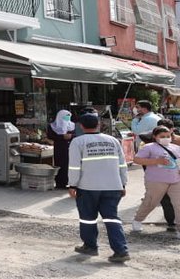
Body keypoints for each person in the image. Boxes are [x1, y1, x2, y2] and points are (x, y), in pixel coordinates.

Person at [67, 113, 130, 262]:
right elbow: (122, 164)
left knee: (88, 219)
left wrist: (72, 185)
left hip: (88, 187)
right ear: (99, 124)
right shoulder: (113, 140)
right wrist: (123, 183)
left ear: (81, 126)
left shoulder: (78, 142)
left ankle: (90, 246)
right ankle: (121, 251)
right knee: (112, 219)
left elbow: (74, 167)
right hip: (113, 187)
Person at [131, 125, 180, 236]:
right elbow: (137, 159)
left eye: (168, 136)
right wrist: (157, 161)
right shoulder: (149, 147)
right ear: (155, 136)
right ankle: (138, 220)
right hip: (156, 180)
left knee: (179, 204)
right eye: (162, 136)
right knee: (151, 202)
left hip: (176, 180)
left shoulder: (176, 148)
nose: (166, 138)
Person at [45, 110, 74, 190]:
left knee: (70, 165)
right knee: (60, 164)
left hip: (70, 147)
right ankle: (60, 183)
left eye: (69, 116)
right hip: (59, 148)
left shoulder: (72, 126)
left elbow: (77, 135)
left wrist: (70, 136)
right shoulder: (52, 126)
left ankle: (71, 182)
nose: (67, 118)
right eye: (66, 116)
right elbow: (50, 136)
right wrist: (62, 137)